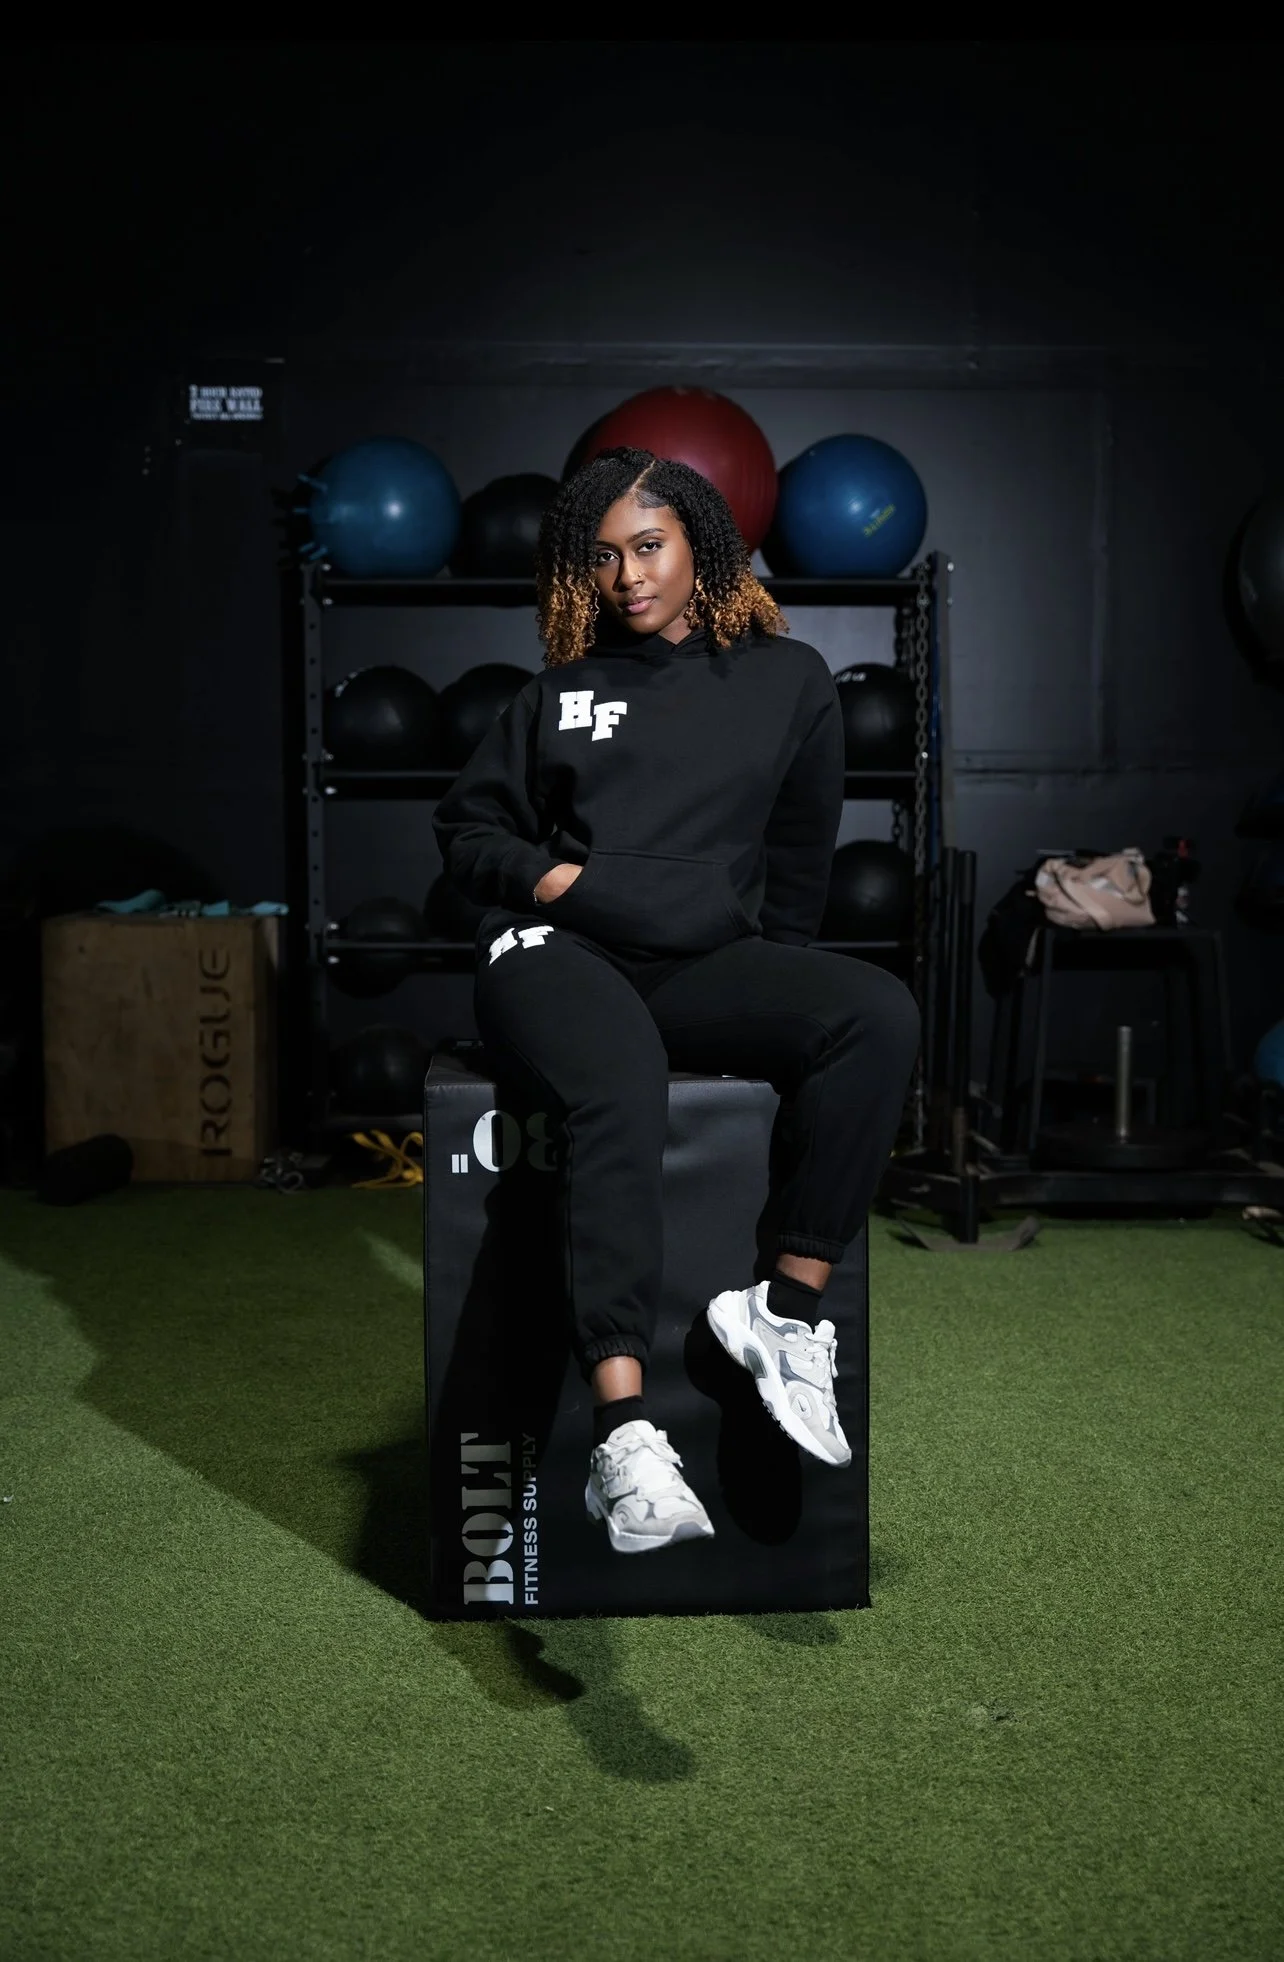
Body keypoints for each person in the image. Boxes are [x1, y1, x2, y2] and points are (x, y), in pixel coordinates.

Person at [433, 447, 920, 1556]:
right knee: (618, 1081)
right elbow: (468, 834)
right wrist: (566, 884)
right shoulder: (556, 693)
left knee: (875, 1013)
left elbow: (797, 872)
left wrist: (776, 1004)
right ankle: (625, 1435)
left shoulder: (790, 682)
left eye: (647, 546)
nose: (627, 577)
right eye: (600, 558)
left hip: (693, 960)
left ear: (701, 540)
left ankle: (783, 1312)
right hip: (553, 951)